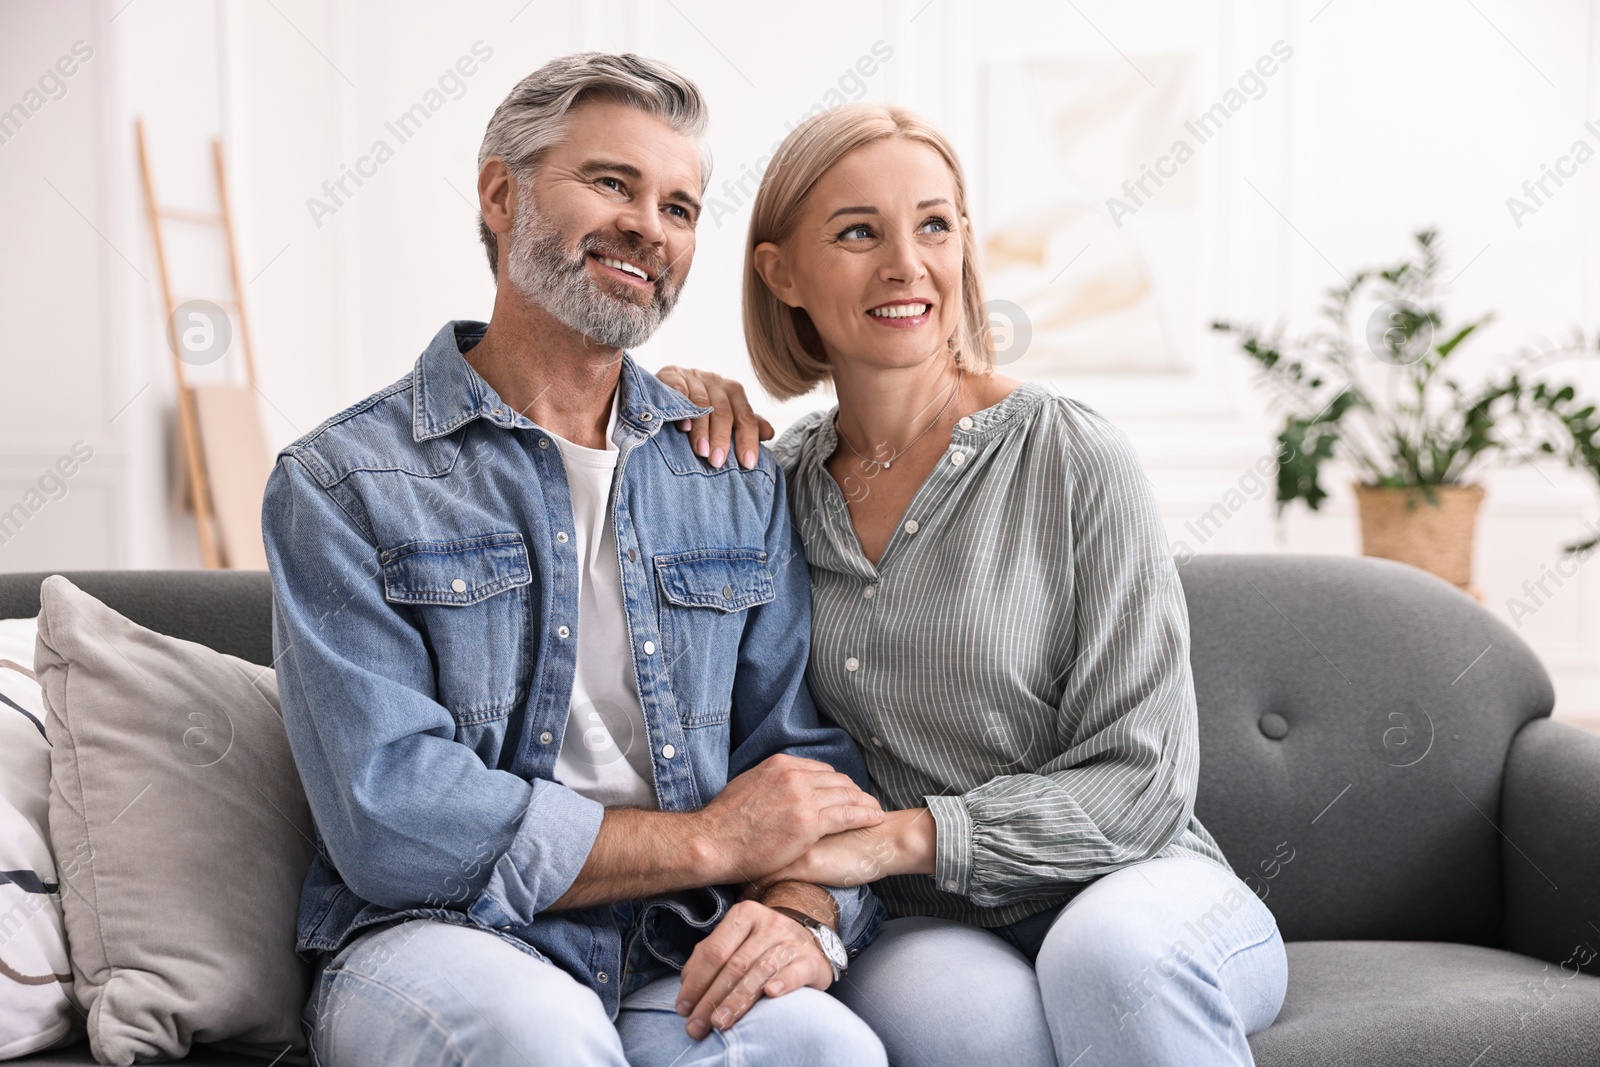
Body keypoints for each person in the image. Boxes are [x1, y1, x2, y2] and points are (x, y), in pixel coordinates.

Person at [261, 54, 891, 1067]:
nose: (651, 223)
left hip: (668, 945)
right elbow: (393, 814)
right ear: (501, 194)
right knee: (535, 1035)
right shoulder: (343, 482)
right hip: (440, 939)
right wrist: (708, 841)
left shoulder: (728, 471)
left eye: (679, 205)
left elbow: (804, 760)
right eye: (611, 183)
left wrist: (804, 912)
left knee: (824, 1046)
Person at [658, 102, 1289, 1066]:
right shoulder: (769, 492)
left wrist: (903, 838)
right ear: (780, 270)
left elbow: (1145, 777)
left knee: (1109, 961)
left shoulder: (1071, 455)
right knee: (974, 1033)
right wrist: (664, 407)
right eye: (858, 231)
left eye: (935, 224)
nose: (907, 264)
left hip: (1139, 884)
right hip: (928, 921)